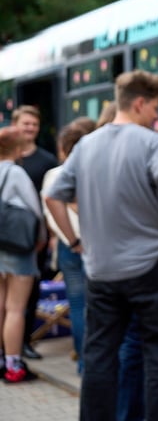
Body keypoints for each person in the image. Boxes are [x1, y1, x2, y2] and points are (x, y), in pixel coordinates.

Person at [44, 70, 158, 421]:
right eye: (155, 111)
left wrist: (74, 239)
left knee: (100, 355)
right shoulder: (151, 142)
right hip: (151, 268)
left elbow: (54, 197)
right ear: (140, 103)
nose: (156, 119)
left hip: (101, 271)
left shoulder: (86, 145)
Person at [40, 117, 97, 375]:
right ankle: (99, 361)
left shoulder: (53, 175)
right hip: (96, 244)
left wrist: (69, 240)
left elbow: (49, 214)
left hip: (68, 246)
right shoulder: (95, 172)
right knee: (98, 305)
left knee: (77, 305)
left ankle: (84, 363)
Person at [11, 105, 58, 361]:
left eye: (34, 124)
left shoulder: (47, 160)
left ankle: (24, 342)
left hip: (33, 238)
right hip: (6, 237)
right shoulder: (6, 157)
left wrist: (50, 235)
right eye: (25, 123)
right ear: (15, 124)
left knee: (30, 293)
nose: (30, 128)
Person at [0, 126, 47, 383]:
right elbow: (35, 209)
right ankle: (13, 365)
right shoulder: (16, 173)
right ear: (17, 149)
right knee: (16, 308)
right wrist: (40, 239)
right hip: (17, 247)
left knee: (0, 304)